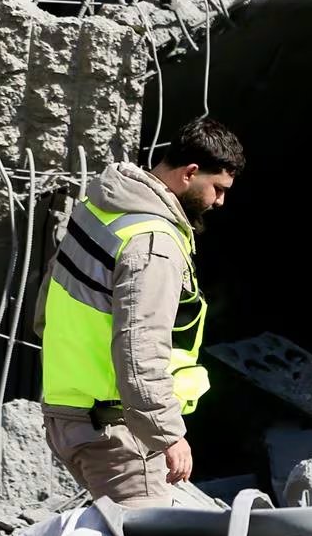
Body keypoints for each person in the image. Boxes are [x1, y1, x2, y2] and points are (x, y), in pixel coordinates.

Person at [38, 117, 245, 508]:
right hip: (115, 429)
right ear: (190, 173)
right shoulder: (153, 243)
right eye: (217, 188)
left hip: (70, 413)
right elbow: (140, 348)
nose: (220, 201)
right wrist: (167, 434)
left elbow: (46, 303)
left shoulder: (103, 207)